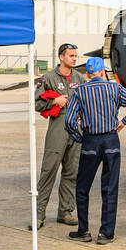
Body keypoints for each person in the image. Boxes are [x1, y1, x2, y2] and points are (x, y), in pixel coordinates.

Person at [63, 56, 126, 245]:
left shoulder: (80, 91)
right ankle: (106, 233)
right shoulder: (113, 88)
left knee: (82, 187)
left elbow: (69, 121)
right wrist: (123, 122)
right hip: (110, 141)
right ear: (102, 72)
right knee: (109, 188)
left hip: (90, 141)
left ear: (88, 74)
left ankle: (83, 230)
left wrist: (79, 137)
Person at [31, 43, 86, 229]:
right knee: (49, 171)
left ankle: (66, 211)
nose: (74, 58)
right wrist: (54, 100)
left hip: (76, 128)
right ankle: (38, 215)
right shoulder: (48, 78)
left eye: (75, 56)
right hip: (58, 127)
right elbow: (37, 103)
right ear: (61, 57)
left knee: (71, 172)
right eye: (71, 55)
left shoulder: (80, 78)